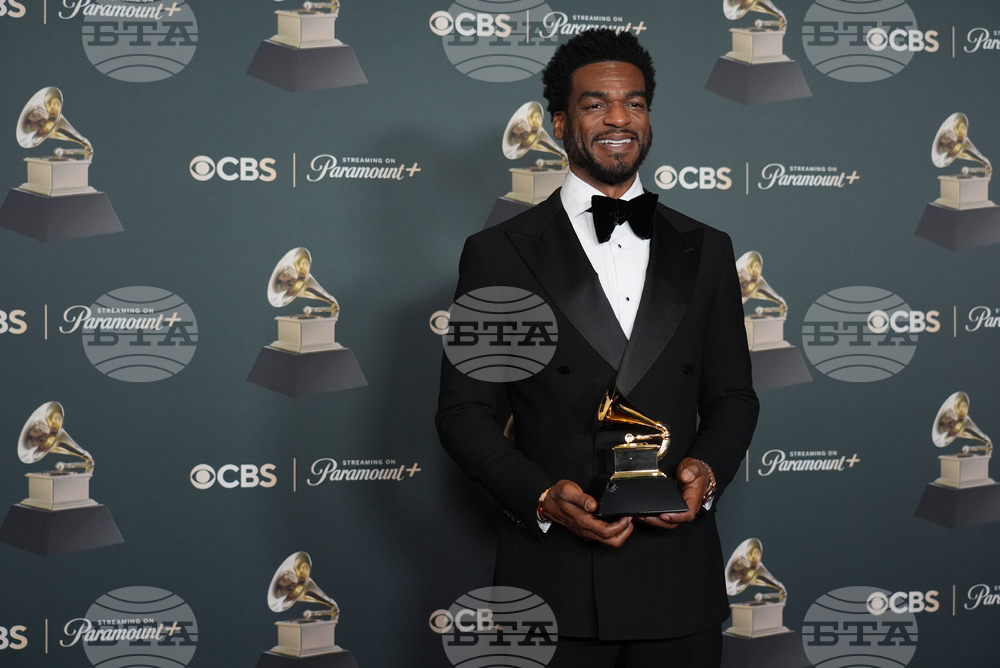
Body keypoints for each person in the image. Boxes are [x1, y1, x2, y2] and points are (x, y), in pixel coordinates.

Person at [436, 29, 759, 668]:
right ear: (559, 122)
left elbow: (732, 397)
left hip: (677, 581)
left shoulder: (709, 248)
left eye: (634, 103)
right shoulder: (498, 253)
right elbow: (464, 413)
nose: (618, 118)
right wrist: (540, 497)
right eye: (595, 104)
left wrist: (707, 474)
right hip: (552, 583)